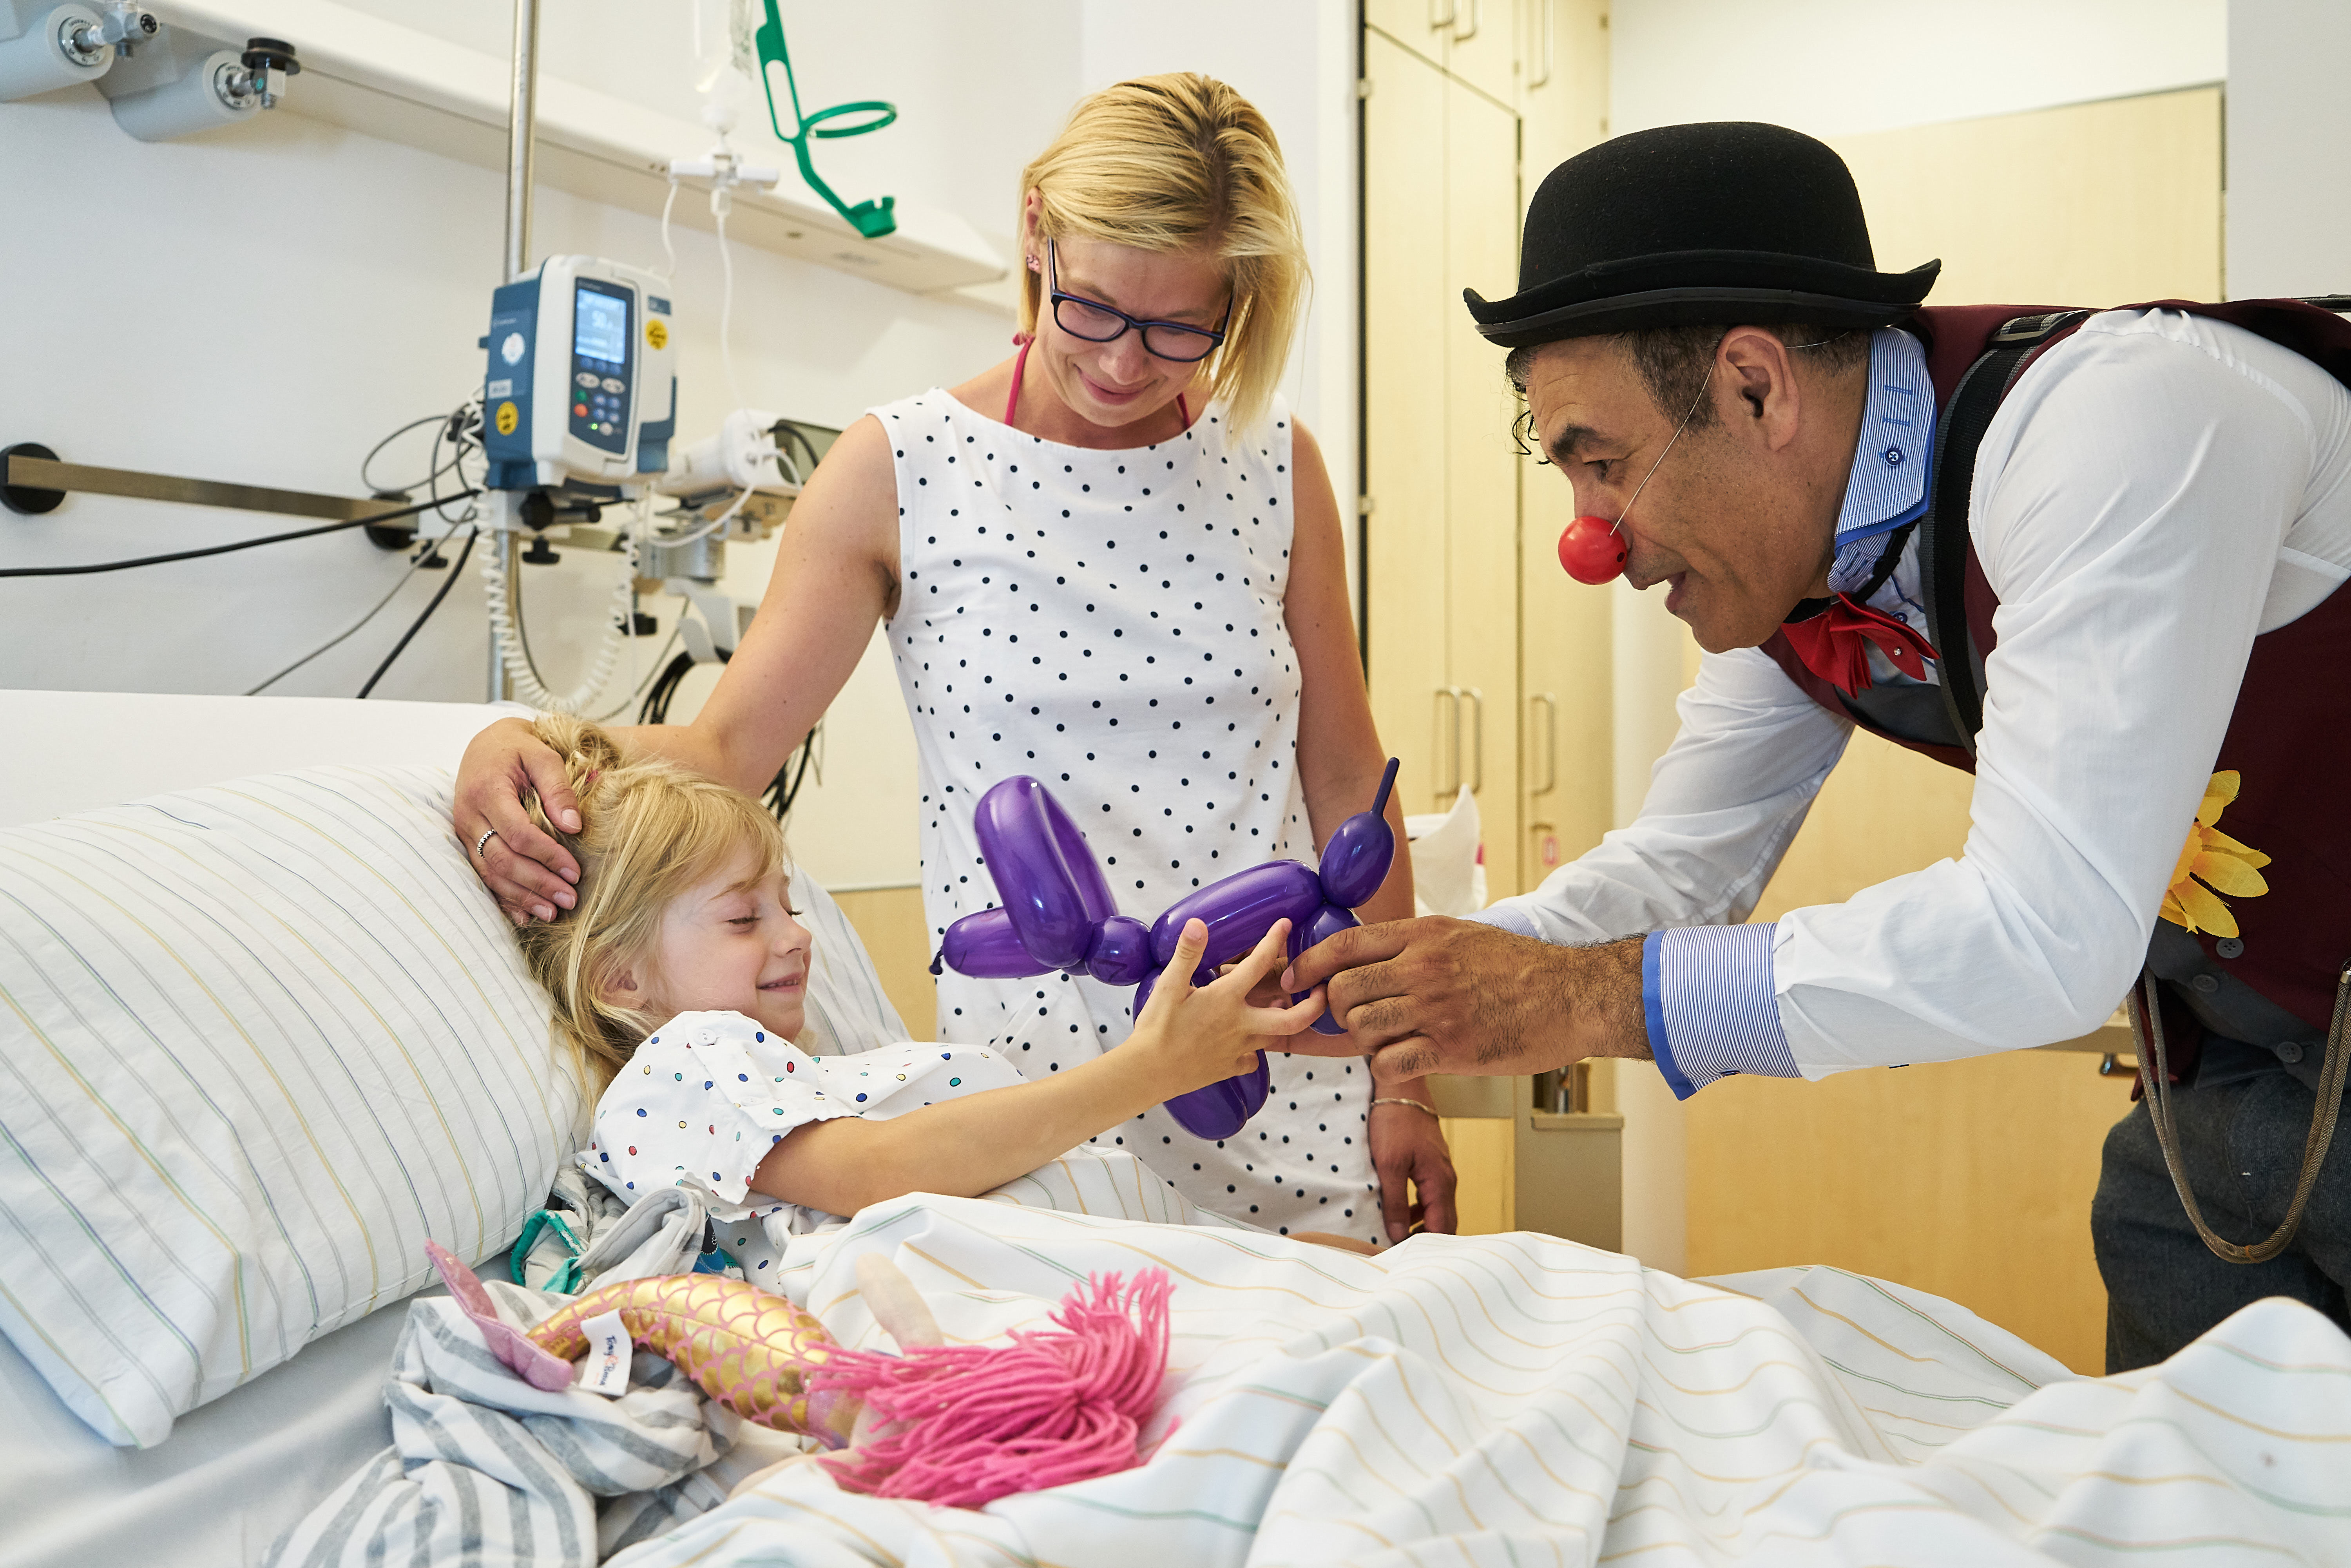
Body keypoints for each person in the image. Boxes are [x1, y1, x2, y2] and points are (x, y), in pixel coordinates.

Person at [1284, 121, 2351, 1369]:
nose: (1590, 546)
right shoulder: (1794, 579)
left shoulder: (2119, 425)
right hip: (2218, 1087)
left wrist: (1578, 1000)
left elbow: (2045, 933)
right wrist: (1404, 980)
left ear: (1754, 385)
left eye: (1602, 465)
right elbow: (1683, 867)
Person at [457, 74, 1455, 1247]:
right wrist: (513, 741)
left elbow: (1351, 785)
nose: (1127, 366)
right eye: (1090, 307)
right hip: (1029, 1112)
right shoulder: (903, 468)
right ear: (1036, 231)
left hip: (1283, 1063)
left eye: (1181, 328)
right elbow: (726, 749)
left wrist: (1406, 1078)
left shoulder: (1277, 465)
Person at [508, 715, 1365, 1269]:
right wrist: (1153, 1068)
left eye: (791, 906)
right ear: (620, 977)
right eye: (745, 919)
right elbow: (884, 1173)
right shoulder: (688, 1061)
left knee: (1366, 1267)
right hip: (1080, 1301)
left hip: (1151, 1261)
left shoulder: (797, 1074)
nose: (798, 935)